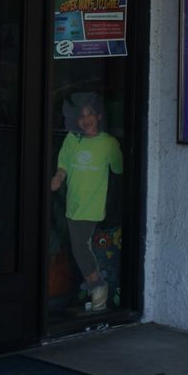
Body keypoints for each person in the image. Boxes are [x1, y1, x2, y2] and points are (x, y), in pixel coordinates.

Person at [50, 93, 123, 312]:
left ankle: (98, 287)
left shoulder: (109, 143)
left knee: (80, 246)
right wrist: (58, 177)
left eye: (89, 114)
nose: (85, 120)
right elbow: (63, 164)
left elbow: (119, 170)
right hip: (73, 203)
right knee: (81, 246)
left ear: (99, 116)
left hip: (92, 205)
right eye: (81, 116)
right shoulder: (72, 139)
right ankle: (93, 291)